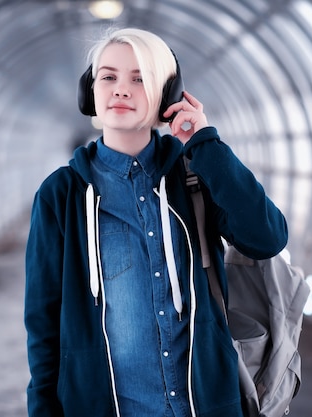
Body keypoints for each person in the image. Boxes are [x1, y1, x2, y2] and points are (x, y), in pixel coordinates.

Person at [24, 27, 288, 417]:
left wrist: (205, 144)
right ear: (90, 91)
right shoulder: (60, 195)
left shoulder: (195, 176)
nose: (121, 89)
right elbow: (43, 321)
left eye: (141, 78)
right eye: (109, 77)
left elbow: (266, 237)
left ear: (168, 94)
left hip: (205, 406)